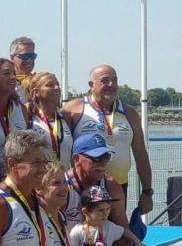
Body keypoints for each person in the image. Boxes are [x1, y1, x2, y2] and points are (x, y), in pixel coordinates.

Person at [62, 64, 154, 214]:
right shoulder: (73, 109)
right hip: (83, 187)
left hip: (118, 186)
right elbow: (59, 144)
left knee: (117, 233)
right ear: (91, 85)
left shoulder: (130, 113)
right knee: (84, 234)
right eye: (105, 80)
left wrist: (147, 191)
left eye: (114, 80)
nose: (111, 85)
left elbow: (141, 156)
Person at [0, 57, 28, 178]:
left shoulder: (20, 108)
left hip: (17, 178)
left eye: (14, 73)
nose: (13, 77)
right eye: (6, 73)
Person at [24, 71, 74, 169]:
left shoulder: (66, 117)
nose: (56, 87)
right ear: (36, 92)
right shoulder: (28, 117)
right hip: (38, 181)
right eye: (50, 85)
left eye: (57, 84)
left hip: (63, 180)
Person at [9, 37, 37, 104]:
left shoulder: (39, 82)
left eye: (32, 56)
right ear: (12, 58)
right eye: (25, 56)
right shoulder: (5, 82)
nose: (29, 60)